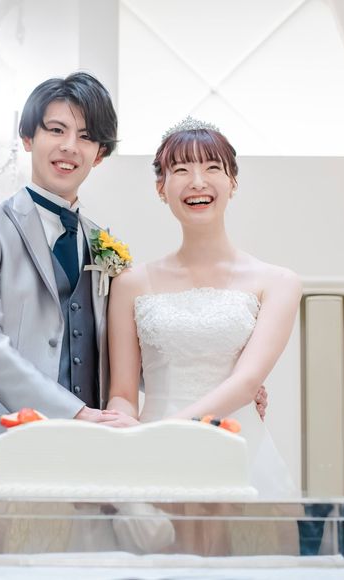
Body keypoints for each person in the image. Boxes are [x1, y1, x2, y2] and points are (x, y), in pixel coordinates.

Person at [0, 71, 119, 487]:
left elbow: (123, 348)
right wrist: (71, 412)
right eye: (56, 130)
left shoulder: (104, 243)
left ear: (99, 154)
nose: (69, 146)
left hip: (87, 460)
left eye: (86, 136)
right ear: (28, 137)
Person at [105, 118, 300, 499]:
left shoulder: (278, 283)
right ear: (161, 188)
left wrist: (163, 431)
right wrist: (125, 435)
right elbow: (123, 393)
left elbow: (246, 383)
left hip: (237, 451)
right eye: (181, 170)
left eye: (212, 167)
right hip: (151, 456)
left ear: (233, 182)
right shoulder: (129, 284)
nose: (197, 181)